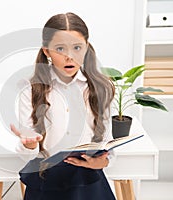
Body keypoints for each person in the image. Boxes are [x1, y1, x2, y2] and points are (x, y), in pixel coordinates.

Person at [10, 12, 116, 200]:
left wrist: (103, 161)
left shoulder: (101, 88)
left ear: (86, 48)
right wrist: (31, 144)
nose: (69, 56)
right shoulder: (30, 90)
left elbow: (108, 142)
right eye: (60, 48)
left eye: (77, 48)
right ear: (46, 51)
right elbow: (27, 153)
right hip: (46, 180)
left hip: (89, 182)